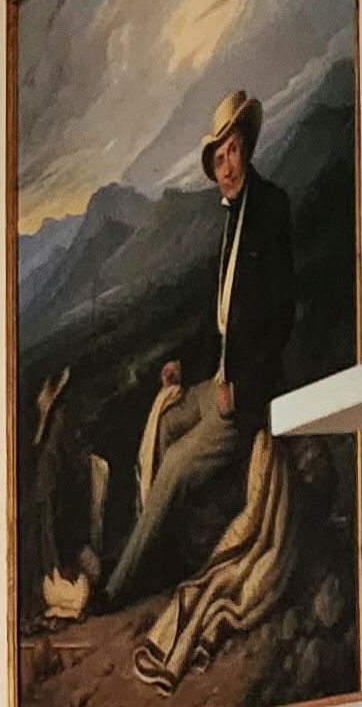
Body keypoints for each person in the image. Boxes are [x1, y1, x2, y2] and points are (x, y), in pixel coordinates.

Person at [98, 88, 297, 614]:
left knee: (179, 464)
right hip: (219, 382)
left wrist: (243, 389)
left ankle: (118, 588)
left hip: (247, 394)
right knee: (162, 422)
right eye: (218, 156)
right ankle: (164, 551)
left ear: (247, 148)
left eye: (232, 151)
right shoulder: (229, 221)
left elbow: (281, 318)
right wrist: (185, 366)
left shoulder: (272, 208)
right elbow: (222, 325)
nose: (226, 165)